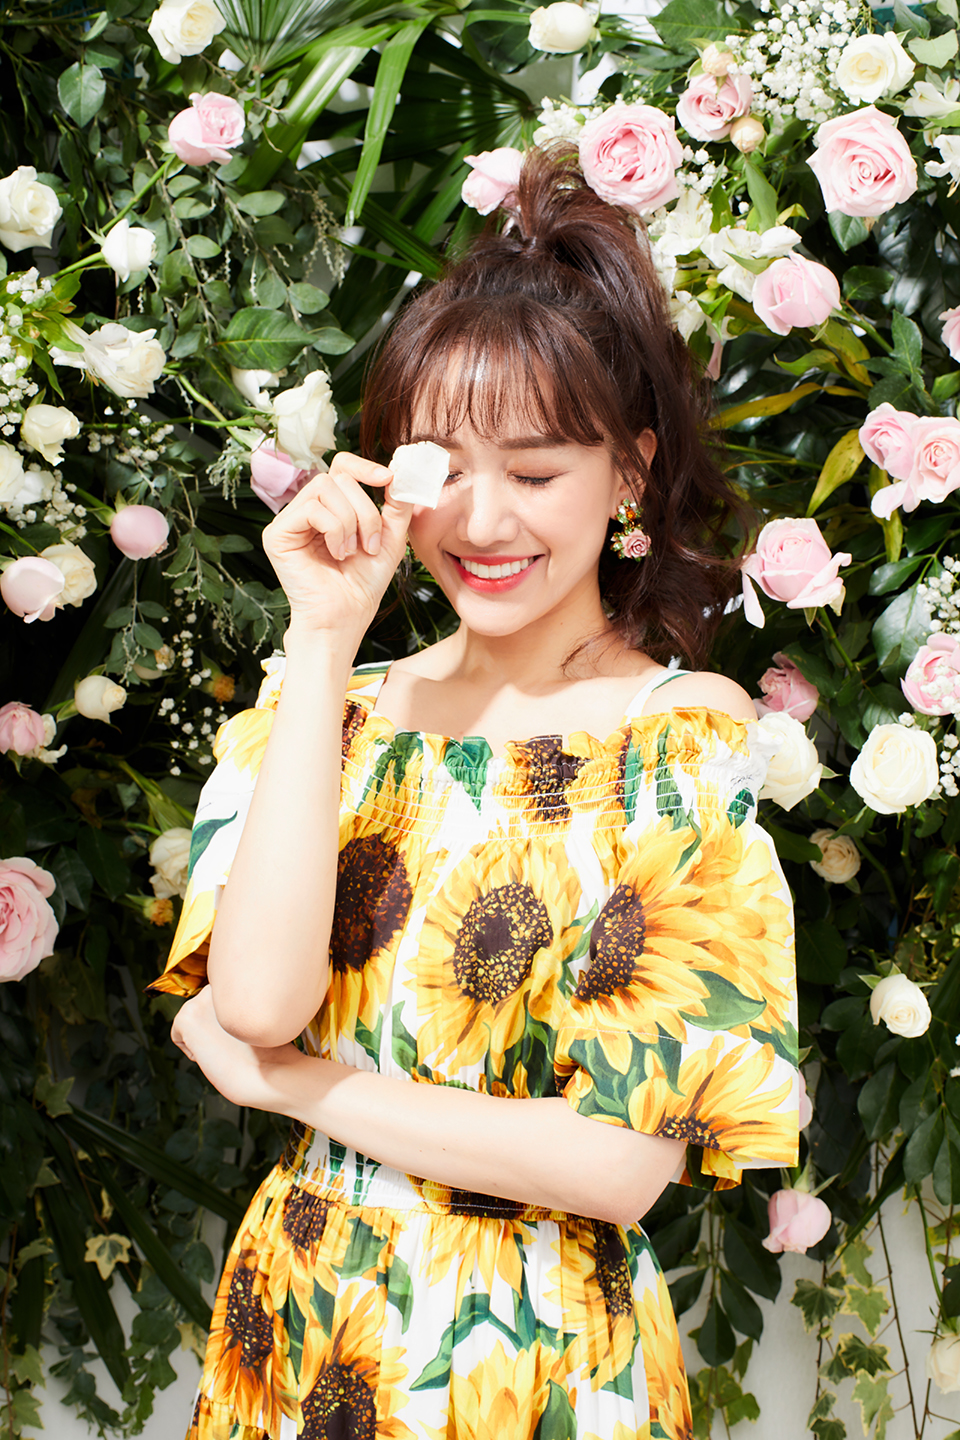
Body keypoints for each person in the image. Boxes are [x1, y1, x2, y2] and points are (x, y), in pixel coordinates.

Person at [152, 146, 799, 1440]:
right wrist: (323, 636)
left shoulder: (674, 741)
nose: (481, 521)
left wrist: (290, 1090)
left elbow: (618, 1165)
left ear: (629, 473)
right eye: (441, 468)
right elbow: (259, 1002)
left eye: (536, 473)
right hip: (302, 1325)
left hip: (537, 1357)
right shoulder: (327, 712)